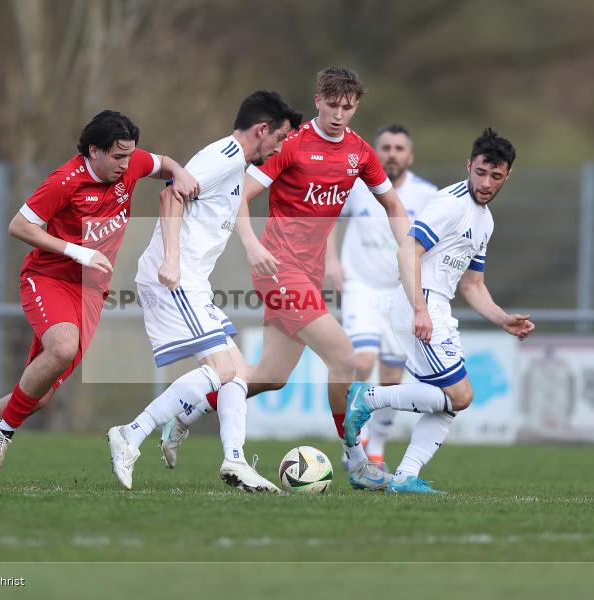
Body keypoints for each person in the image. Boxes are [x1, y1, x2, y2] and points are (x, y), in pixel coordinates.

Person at [161, 67, 411, 491]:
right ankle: (356, 460)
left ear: (356, 107)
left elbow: (394, 207)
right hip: (279, 270)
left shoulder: (360, 153)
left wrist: (410, 258)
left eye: (347, 107)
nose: (338, 114)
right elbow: (240, 193)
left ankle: (184, 413)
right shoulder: (292, 145)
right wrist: (252, 244)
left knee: (271, 376)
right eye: (331, 104)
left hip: (307, 277)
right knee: (346, 357)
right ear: (318, 100)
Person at [0, 110, 198, 487]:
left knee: (37, 397)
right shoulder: (65, 181)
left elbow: (162, 163)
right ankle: (3, 431)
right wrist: (76, 252)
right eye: (118, 156)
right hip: (49, 278)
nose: (126, 163)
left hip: (90, 291)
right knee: (63, 347)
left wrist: (178, 171)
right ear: (94, 151)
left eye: (129, 155)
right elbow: (19, 226)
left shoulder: (132, 162)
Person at [105, 91, 302, 493]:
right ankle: (131, 433)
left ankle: (234, 460)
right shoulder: (224, 157)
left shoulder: (235, 164)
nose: (280, 147)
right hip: (176, 279)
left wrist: (249, 244)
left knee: (237, 376)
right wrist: (172, 260)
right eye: (279, 139)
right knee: (223, 370)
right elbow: (169, 194)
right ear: (262, 131)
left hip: (193, 281)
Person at [343, 127, 535, 494]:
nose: (486, 182)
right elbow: (407, 251)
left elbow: (472, 285)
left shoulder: (485, 220)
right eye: (481, 171)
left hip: (438, 306)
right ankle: (369, 398)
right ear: (469, 166)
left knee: (449, 403)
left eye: (496, 176)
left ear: (507, 175)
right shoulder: (450, 204)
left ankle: (404, 477)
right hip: (421, 302)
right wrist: (420, 310)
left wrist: (502, 318)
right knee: (460, 395)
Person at [324, 124, 437, 471]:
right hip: (361, 286)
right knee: (362, 360)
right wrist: (331, 260)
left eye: (399, 148)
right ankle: (352, 440)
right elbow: (326, 221)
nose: (392, 153)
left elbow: (434, 245)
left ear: (410, 156)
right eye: (385, 147)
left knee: (392, 376)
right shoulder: (358, 187)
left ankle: (376, 450)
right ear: (377, 152)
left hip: (400, 293)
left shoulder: (427, 195)